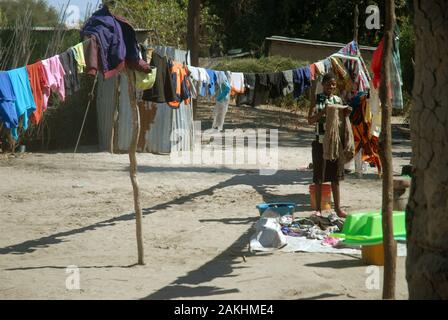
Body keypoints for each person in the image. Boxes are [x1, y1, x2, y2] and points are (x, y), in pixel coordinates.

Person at [307, 72, 352, 218]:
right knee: (319, 178)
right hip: (320, 142)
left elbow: (339, 122)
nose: (331, 86)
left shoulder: (338, 99)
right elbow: (310, 120)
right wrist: (324, 111)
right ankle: (319, 209)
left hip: (334, 144)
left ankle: (338, 209)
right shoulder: (316, 99)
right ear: (323, 85)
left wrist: (346, 114)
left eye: (333, 84)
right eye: (328, 84)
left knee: (335, 178)